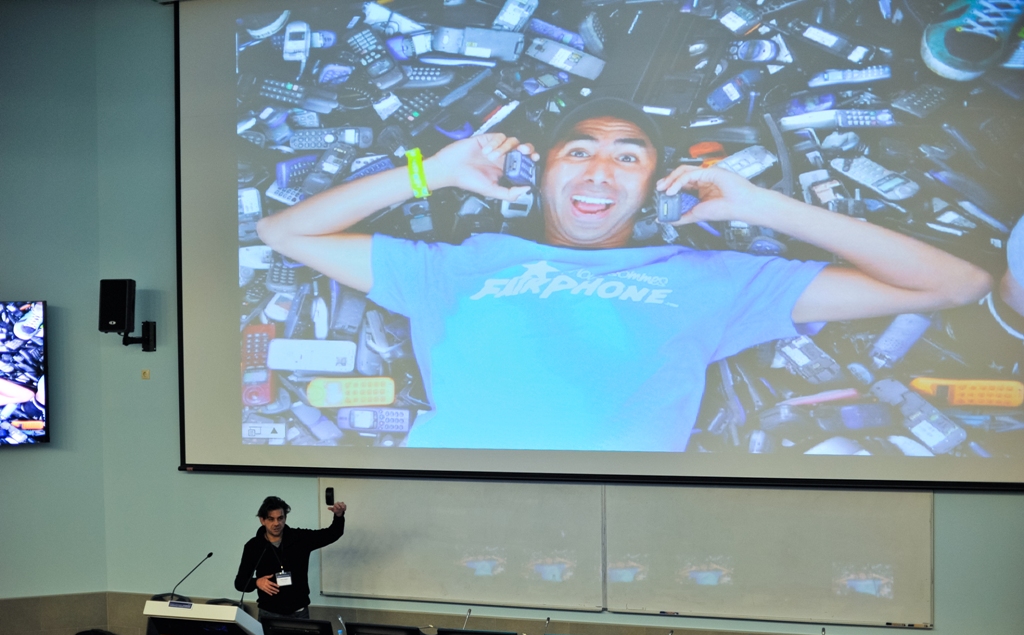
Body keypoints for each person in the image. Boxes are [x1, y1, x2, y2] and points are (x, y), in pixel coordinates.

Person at [257, 97, 992, 451]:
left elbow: (956, 285)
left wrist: (760, 203)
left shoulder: (716, 278)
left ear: (656, 189)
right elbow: (284, 232)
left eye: (628, 157)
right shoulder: (459, 265)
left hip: (620, 534)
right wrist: (436, 171)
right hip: (448, 513)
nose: (600, 170)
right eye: (578, 151)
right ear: (539, 174)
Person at [234, 495, 347, 620]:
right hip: (269, 613)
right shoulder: (253, 546)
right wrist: (257, 582)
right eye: (271, 519)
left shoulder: (299, 539)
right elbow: (240, 583)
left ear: (285, 518)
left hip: (299, 612)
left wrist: (338, 516)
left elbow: (332, 534)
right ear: (262, 520)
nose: (276, 523)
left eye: (280, 518)